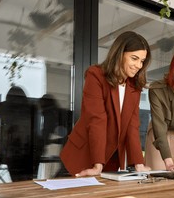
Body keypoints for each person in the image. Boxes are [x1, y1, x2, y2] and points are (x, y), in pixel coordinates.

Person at [60, 31, 152, 177]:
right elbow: (97, 120)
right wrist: (97, 165)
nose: (138, 65)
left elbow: (132, 125)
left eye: (142, 61)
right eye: (134, 58)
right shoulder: (96, 75)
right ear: (120, 54)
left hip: (112, 157)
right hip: (86, 154)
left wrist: (138, 163)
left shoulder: (134, 86)